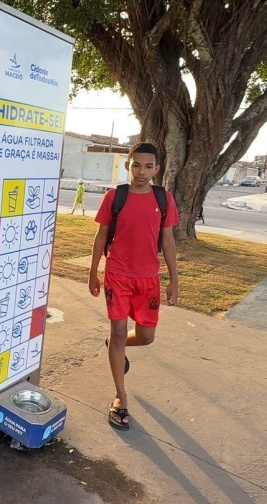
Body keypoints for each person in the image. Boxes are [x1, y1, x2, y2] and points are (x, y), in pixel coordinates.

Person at [88, 142, 179, 431]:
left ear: (157, 169)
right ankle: (120, 396)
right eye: (136, 165)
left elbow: (167, 241)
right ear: (128, 165)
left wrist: (174, 280)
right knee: (117, 331)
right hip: (118, 275)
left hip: (148, 279)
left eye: (148, 166)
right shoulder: (115, 197)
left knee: (146, 336)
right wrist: (93, 272)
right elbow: (102, 236)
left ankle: (115, 345)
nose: (142, 171)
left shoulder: (164, 199)